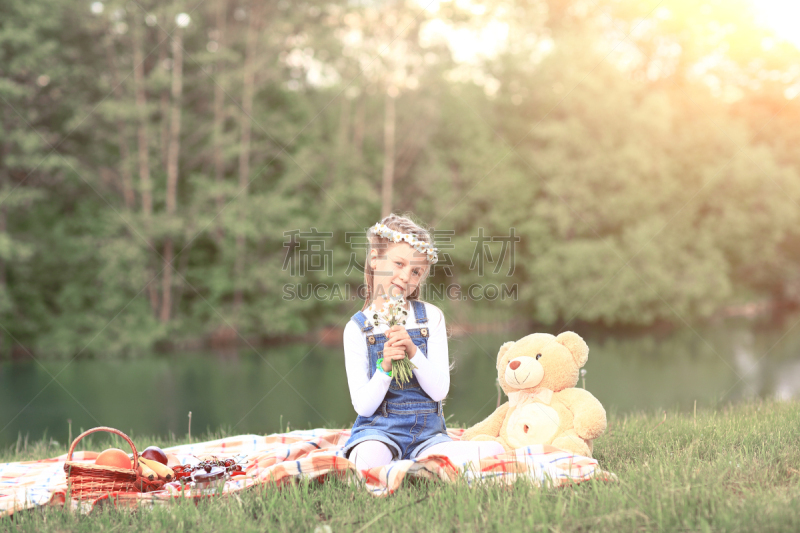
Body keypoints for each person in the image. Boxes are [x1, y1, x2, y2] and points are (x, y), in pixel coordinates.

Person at [342, 213, 505, 471]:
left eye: (415, 271)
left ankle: (416, 463)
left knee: (494, 452)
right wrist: (384, 368)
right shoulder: (357, 329)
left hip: (427, 436)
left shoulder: (430, 318)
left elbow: (440, 391)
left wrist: (413, 352)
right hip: (378, 431)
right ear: (375, 259)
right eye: (398, 263)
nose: (406, 276)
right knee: (365, 463)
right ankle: (410, 465)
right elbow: (364, 406)